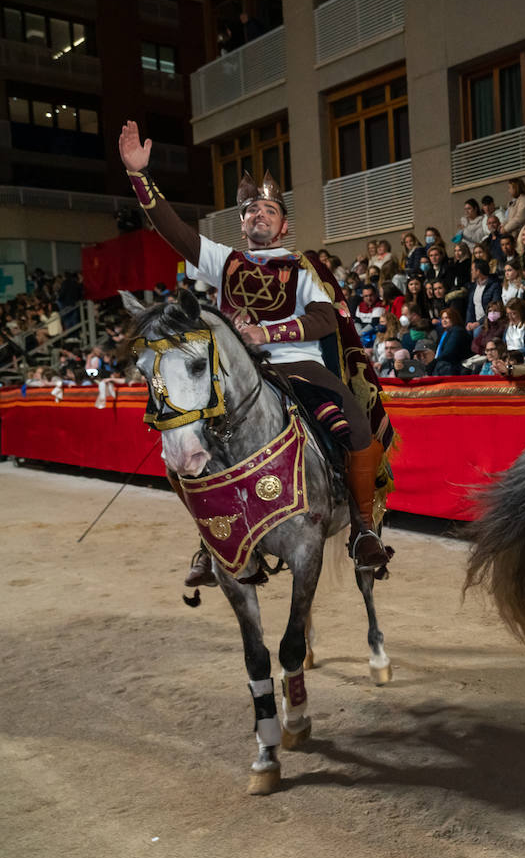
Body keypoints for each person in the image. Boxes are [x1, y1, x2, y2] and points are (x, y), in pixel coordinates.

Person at [118, 120, 393, 576]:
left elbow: (326, 318)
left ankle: (363, 527)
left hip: (297, 365)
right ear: (241, 222)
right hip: (235, 373)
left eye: (268, 210)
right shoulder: (223, 260)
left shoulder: (302, 266)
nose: (260, 216)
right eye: (251, 211)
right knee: (187, 441)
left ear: (283, 224)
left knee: (356, 426)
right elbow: (172, 229)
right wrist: (139, 176)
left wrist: (269, 334)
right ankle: (211, 540)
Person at [430, 307, 467, 376]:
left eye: (447, 318)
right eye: (442, 318)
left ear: (454, 318)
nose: (444, 320)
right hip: (444, 363)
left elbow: (448, 352)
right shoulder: (445, 332)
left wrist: (434, 362)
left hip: (453, 366)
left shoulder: (457, 331)